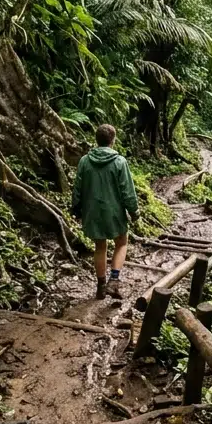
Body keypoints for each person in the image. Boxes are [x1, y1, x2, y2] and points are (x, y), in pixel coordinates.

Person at [72, 123, 138, 299]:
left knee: (100, 246)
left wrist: (77, 209)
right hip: (114, 212)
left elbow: (77, 188)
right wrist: (134, 211)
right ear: (113, 140)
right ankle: (114, 281)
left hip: (92, 212)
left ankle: (101, 286)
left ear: (97, 140)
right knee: (122, 242)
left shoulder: (85, 161)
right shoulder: (119, 162)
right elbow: (127, 191)